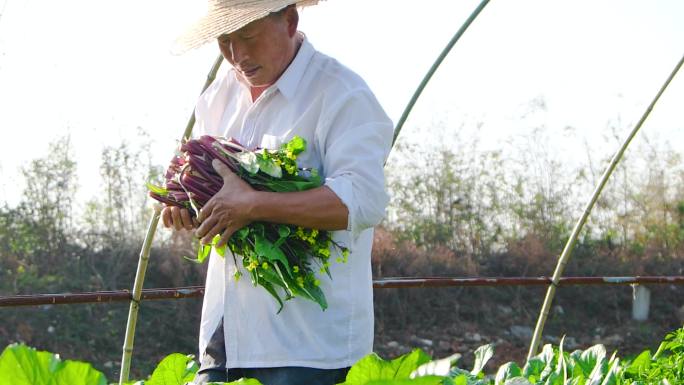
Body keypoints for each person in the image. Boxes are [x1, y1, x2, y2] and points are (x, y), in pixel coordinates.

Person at [163, 1, 393, 384]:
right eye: (225, 40)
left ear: (289, 20)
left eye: (248, 36)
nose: (237, 55)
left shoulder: (340, 93)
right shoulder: (220, 95)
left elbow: (363, 200)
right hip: (226, 338)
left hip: (308, 348)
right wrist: (185, 205)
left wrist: (254, 205)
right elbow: (208, 187)